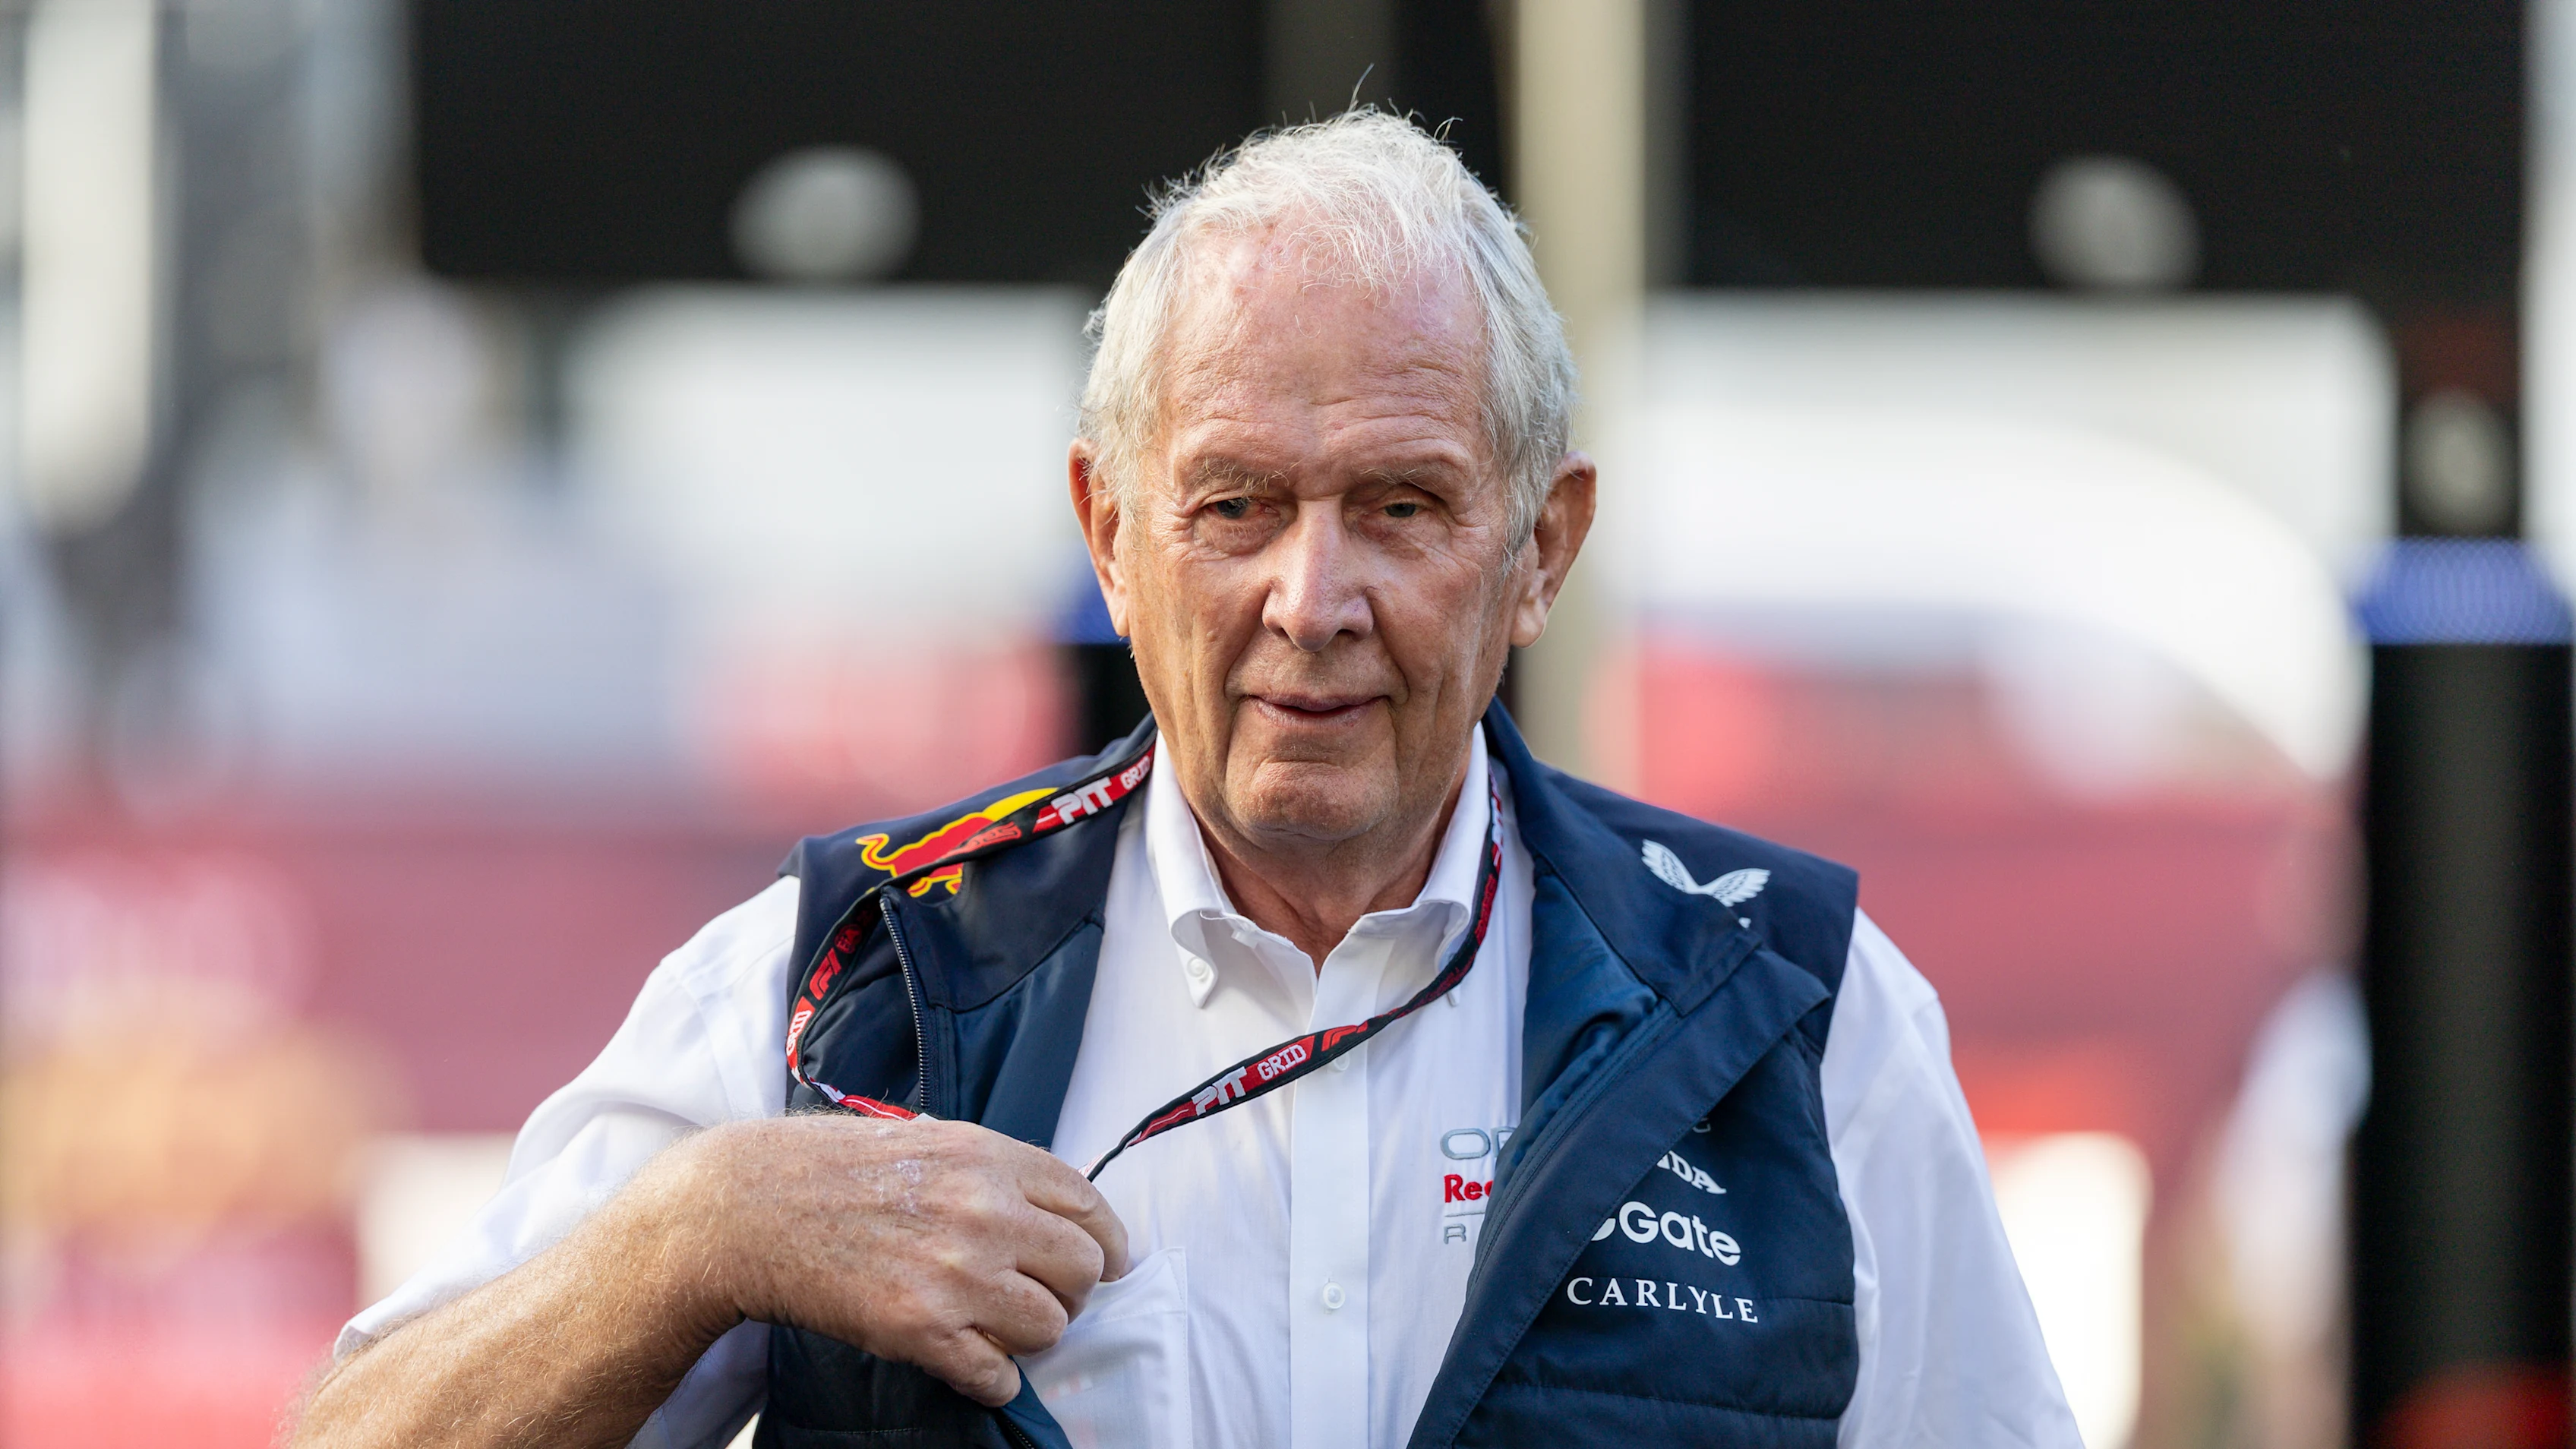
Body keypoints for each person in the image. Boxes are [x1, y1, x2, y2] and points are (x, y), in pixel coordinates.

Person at [295, 112, 2079, 1449]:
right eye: (1234, 507)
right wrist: (696, 1234)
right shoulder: (845, 988)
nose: (1312, 601)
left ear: (1542, 549)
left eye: (1400, 505)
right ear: (1110, 537)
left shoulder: (1793, 1012)